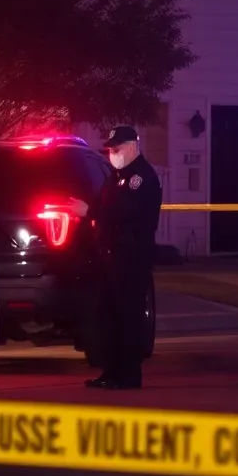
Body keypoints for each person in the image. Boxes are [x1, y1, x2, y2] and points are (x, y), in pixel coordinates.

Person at [71, 125, 162, 390]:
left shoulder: (141, 177)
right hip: (111, 256)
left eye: (117, 148)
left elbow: (127, 213)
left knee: (128, 316)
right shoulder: (116, 177)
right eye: (110, 149)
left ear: (132, 146)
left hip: (131, 257)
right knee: (109, 316)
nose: (113, 154)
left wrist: (90, 212)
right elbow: (103, 204)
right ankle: (110, 372)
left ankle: (128, 375)